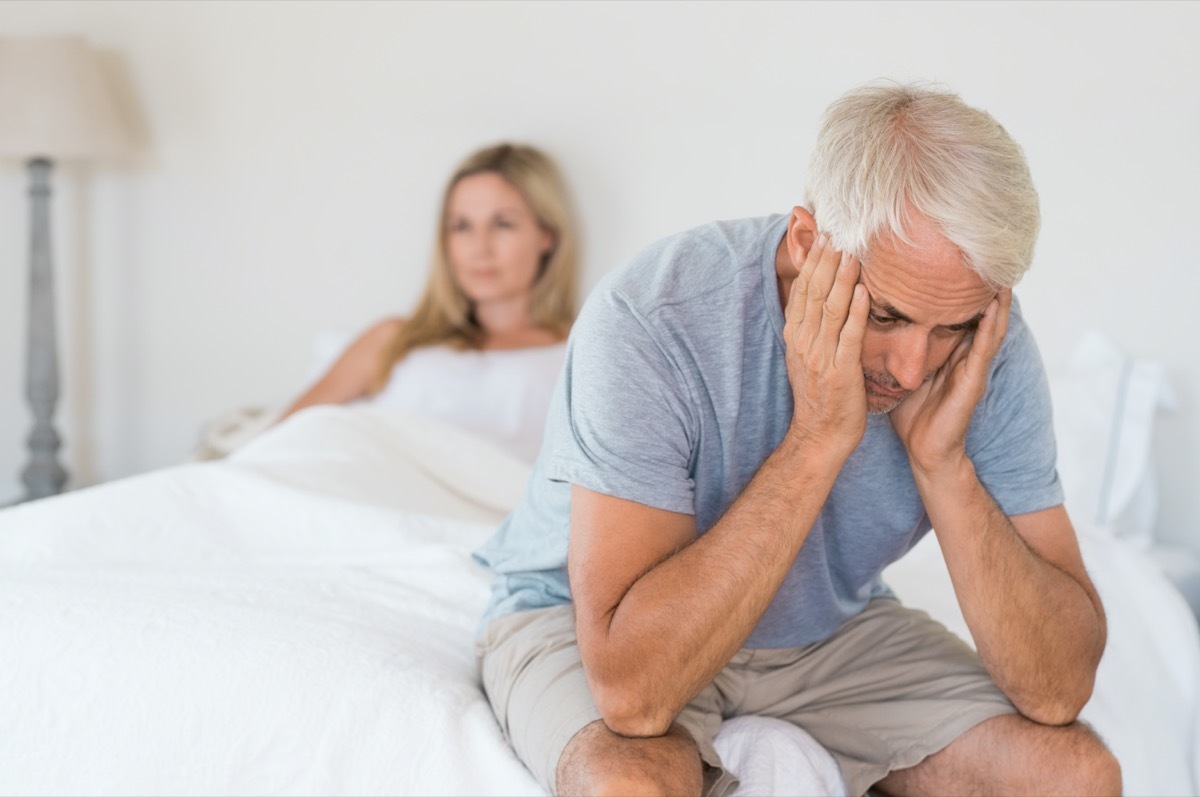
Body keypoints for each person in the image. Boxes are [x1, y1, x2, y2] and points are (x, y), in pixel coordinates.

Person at [472, 82, 1121, 797]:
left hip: (825, 632)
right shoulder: (651, 317)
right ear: (809, 243)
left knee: (1076, 777)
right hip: (593, 621)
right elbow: (633, 691)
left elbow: (1058, 690)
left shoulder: (987, 347)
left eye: (951, 327)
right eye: (886, 314)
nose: (912, 368)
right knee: (632, 786)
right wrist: (817, 437)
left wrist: (945, 467)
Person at [277, 142, 579, 462]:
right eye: (462, 226)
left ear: (547, 235)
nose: (480, 248)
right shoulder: (394, 340)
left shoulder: (578, 355)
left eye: (503, 224)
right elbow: (280, 438)